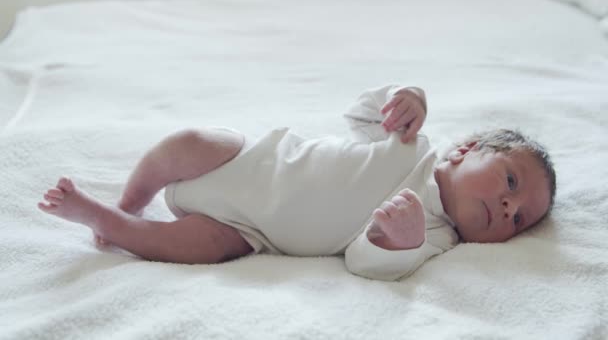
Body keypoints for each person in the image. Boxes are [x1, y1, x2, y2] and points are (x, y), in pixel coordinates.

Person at [37, 85, 556, 281]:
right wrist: (403, 98)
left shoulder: (434, 237)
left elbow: (363, 261)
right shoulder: (412, 144)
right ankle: (132, 199)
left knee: (193, 247)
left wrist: (395, 242)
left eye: (520, 218)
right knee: (189, 142)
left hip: (247, 228)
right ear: (465, 151)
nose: (509, 207)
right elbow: (359, 113)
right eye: (511, 181)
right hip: (256, 160)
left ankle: (109, 221)